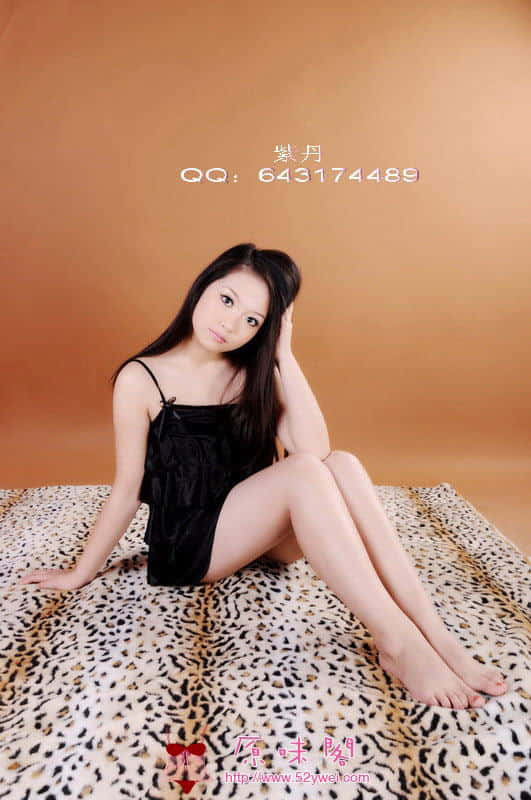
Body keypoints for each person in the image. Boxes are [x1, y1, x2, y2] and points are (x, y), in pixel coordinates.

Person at [18, 242, 507, 709]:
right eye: (227, 300)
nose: (230, 323)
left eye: (252, 320)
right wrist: (80, 572)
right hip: (193, 543)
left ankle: (436, 635)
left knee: (342, 464)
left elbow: (316, 450)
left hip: (258, 538)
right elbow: (127, 490)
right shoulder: (140, 378)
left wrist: (283, 356)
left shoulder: (254, 373)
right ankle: (397, 643)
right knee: (303, 474)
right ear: (202, 287)